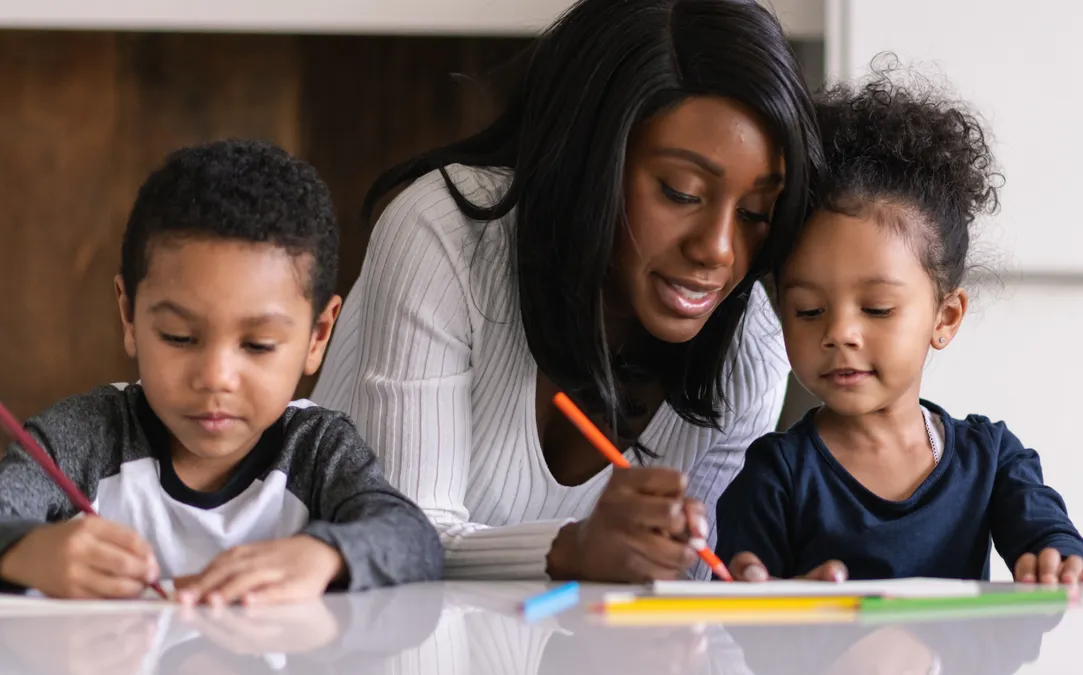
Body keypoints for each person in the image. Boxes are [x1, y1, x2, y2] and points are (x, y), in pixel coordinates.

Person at [312, 0, 823, 581]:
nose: (719, 250)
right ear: (591, 158)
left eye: (757, 210)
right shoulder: (445, 235)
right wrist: (571, 551)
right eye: (681, 192)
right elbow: (399, 540)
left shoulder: (751, 342)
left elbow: (683, 596)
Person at [0, 140, 443, 604]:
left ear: (317, 337)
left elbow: (415, 541)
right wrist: (26, 552)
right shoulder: (85, 437)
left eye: (258, 345)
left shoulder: (316, 451)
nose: (215, 377)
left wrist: (324, 555)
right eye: (178, 336)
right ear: (129, 318)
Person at [716, 69, 1083, 585]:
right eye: (808, 310)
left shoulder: (991, 462)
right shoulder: (776, 477)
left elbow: (1048, 535)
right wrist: (768, 606)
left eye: (875, 308)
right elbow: (735, 616)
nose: (840, 333)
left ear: (945, 318)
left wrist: (1055, 556)